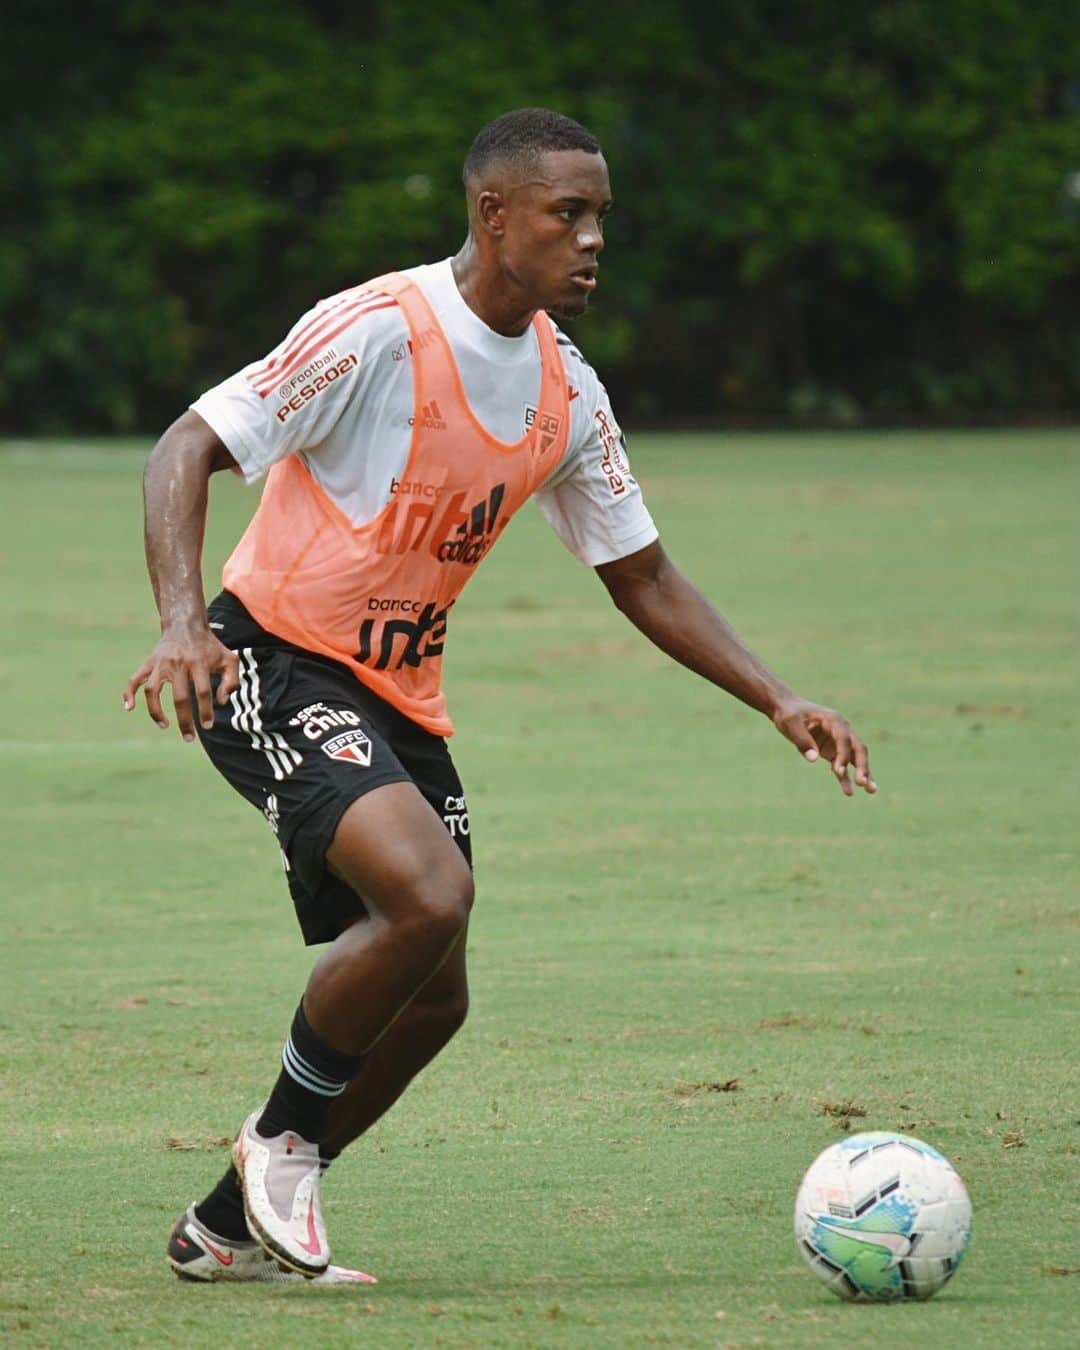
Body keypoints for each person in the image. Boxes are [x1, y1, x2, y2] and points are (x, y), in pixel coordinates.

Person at [123, 107, 876, 1285]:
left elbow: (645, 574)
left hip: (398, 701)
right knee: (430, 894)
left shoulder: (568, 393)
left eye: (601, 220)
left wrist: (778, 698)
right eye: (567, 215)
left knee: (431, 996)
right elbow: (187, 446)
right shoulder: (376, 329)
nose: (591, 242)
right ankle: (280, 1145)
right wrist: (179, 621)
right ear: (493, 214)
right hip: (265, 654)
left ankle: (224, 1228)